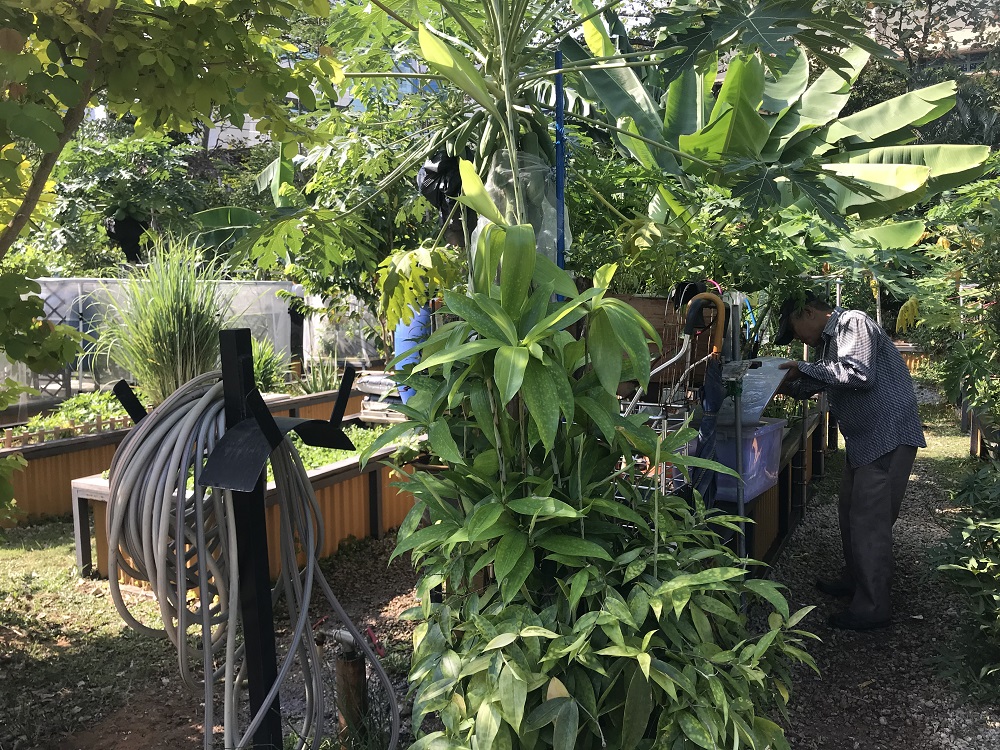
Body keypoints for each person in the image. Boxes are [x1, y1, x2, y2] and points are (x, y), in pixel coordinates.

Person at [774, 293, 926, 631]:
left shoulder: (851, 322)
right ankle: (855, 579)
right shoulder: (830, 343)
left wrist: (802, 368)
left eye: (794, 330)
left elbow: (857, 374)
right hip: (865, 441)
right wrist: (783, 384)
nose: (798, 339)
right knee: (850, 514)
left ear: (808, 312)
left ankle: (873, 607)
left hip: (887, 437)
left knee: (869, 523)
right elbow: (825, 378)